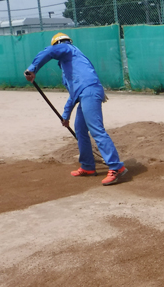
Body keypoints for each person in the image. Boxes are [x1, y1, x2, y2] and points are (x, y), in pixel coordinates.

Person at [24, 32, 127, 186]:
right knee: (79, 129)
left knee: (97, 130)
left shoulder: (66, 48)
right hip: (84, 93)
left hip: (90, 91)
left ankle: (116, 167)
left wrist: (33, 69)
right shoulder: (69, 67)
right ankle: (88, 167)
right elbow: (73, 95)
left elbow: (49, 52)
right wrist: (65, 117)